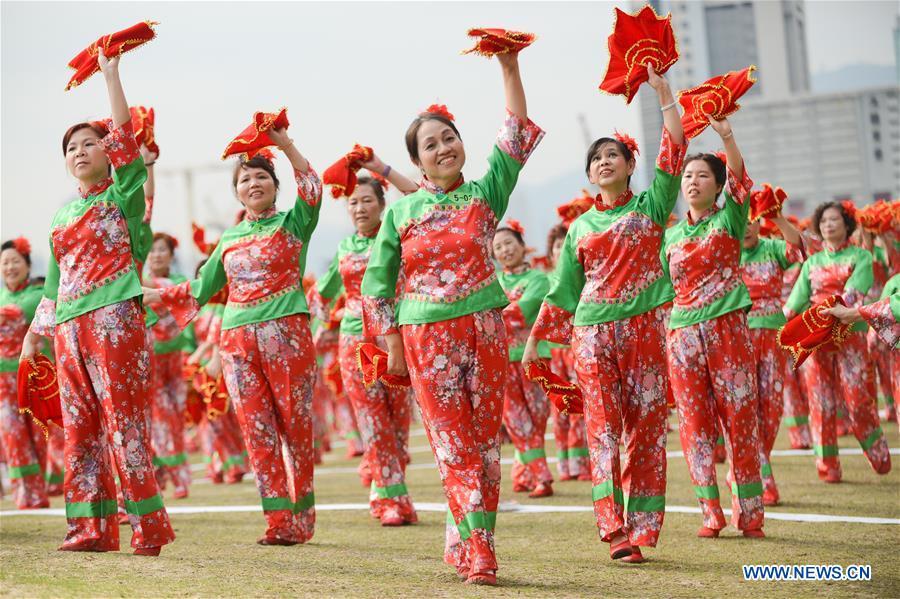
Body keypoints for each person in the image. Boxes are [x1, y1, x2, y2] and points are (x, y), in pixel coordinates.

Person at [360, 50, 543, 585]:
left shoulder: (485, 195)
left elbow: (515, 134)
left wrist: (509, 66)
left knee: (484, 447)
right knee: (452, 445)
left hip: (486, 331)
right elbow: (376, 285)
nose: (443, 148)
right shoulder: (401, 211)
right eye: (430, 144)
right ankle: (481, 551)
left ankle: (466, 540)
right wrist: (392, 345)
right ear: (417, 162)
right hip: (425, 338)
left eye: (449, 137)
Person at [525, 65, 686, 562]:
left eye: (612, 154)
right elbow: (562, 291)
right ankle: (613, 527)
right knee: (603, 428)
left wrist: (663, 93)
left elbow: (675, 150)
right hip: (592, 334)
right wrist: (535, 341)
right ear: (590, 175)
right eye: (595, 159)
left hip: (646, 331)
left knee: (646, 428)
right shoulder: (579, 228)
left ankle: (642, 526)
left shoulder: (652, 206)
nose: (603, 162)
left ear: (630, 164)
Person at [21, 50, 175, 555]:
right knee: (80, 428)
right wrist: (33, 337)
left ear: (109, 155)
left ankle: (147, 528)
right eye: (72, 147)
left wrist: (111, 75)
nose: (81, 151)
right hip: (69, 329)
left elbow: (126, 139)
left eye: (91, 143)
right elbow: (52, 285)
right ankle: (90, 528)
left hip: (115, 321)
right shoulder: (61, 217)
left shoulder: (122, 196)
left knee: (123, 424)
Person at [144, 126, 323, 545]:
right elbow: (201, 288)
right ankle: (278, 521)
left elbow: (312, 187)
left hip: (288, 340)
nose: (253, 183)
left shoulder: (294, 223)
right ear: (237, 193)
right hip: (238, 345)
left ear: (275, 186)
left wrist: (285, 144)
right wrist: (157, 295)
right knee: (257, 431)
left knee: (295, 429)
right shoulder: (229, 239)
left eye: (261, 176)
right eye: (245, 179)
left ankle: (302, 516)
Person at [663, 116, 764, 539]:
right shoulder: (669, 238)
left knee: (740, 420)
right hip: (683, 336)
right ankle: (710, 512)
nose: (693, 181)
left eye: (703, 175)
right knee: (694, 424)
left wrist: (727, 136)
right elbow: (662, 290)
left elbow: (741, 180)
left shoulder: (730, 219)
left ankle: (750, 514)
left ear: (719, 185)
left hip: (728, 330)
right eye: (688, 175)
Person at [314, 168, 419, 526]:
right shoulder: (345, 248)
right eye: (353, 202)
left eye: (367, 201)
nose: (359, 208)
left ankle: (383, 486)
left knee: (399, 420)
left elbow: (420, 198)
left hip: (396, 338)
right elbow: (324, 292)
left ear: (382, 204)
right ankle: (392, 501)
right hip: (355, 341)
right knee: (372, 420)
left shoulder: (398, 238)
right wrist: (316, 327)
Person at [784, 202, 891, 482]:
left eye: (834, 220)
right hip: (817, 340)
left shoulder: (861, 256)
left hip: (849, 334)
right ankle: (827, 465)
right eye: (823, 221)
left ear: (846, 224)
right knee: (821, 402)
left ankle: (876, 449)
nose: (828, 225)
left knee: (857, 400)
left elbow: (853, 295)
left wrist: (829, 314)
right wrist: (780, 323)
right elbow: (794, 302)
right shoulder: (811, 262)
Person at [739, 212, 804, 506]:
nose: (746, 227)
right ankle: (762, 478)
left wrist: (777, 218)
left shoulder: (772, 248)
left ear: (759, 223)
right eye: (740, 220)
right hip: (737, 336)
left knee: (772, 407)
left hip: (773, 337)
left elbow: (796, 248)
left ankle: (748, 468)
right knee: (745, 407)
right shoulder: (724, 250)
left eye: (751, 220)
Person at [492, 221, 554, 497]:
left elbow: (524, 311)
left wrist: (493, 316)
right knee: (516, 420)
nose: (505, 250)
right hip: (501, 360)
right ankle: (542, 476)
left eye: (508, 243)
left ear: (521, 245)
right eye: (498, 247)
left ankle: (522, 471)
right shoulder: (492, 281)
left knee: (537, 418)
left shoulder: (539, 279)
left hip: (534, 357)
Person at [0, 238, 52, 509]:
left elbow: (21, 312)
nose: (10, 267)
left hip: (33, 378)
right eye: (5, 263)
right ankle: (24, 493)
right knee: (12, 434)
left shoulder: (36, 294)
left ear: (28, 266)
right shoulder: (2, 296)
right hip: (3, 382)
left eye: (15, 261)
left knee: (38, 434)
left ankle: (40, 490)